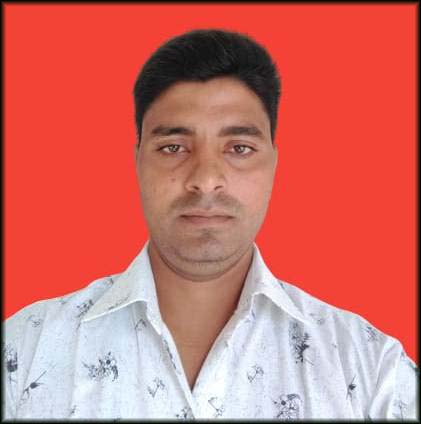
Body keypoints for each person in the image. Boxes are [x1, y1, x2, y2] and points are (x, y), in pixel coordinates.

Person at [3, 29, 417, 420]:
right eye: (173, 147)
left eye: (239, 148)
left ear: (273, 163)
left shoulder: (370, 370)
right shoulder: (23, 353)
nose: (205, 179)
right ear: (138, 161)